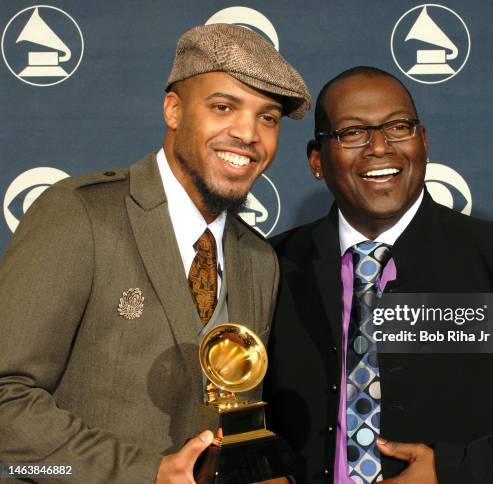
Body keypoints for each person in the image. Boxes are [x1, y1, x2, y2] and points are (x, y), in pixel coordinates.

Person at [264, 66, 493, 483]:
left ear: (423, 142)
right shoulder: (269, 267)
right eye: (352, 132)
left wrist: (451, 473)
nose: (379, 147)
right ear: (317, 161)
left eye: (398, 127)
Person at [0, 24, 310, 483]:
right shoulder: (80, 213)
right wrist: (146, 474)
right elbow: (7, 401)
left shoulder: (259, 260)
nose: (247, 133)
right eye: (224, 106)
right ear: (173, 109)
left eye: (268, 118)